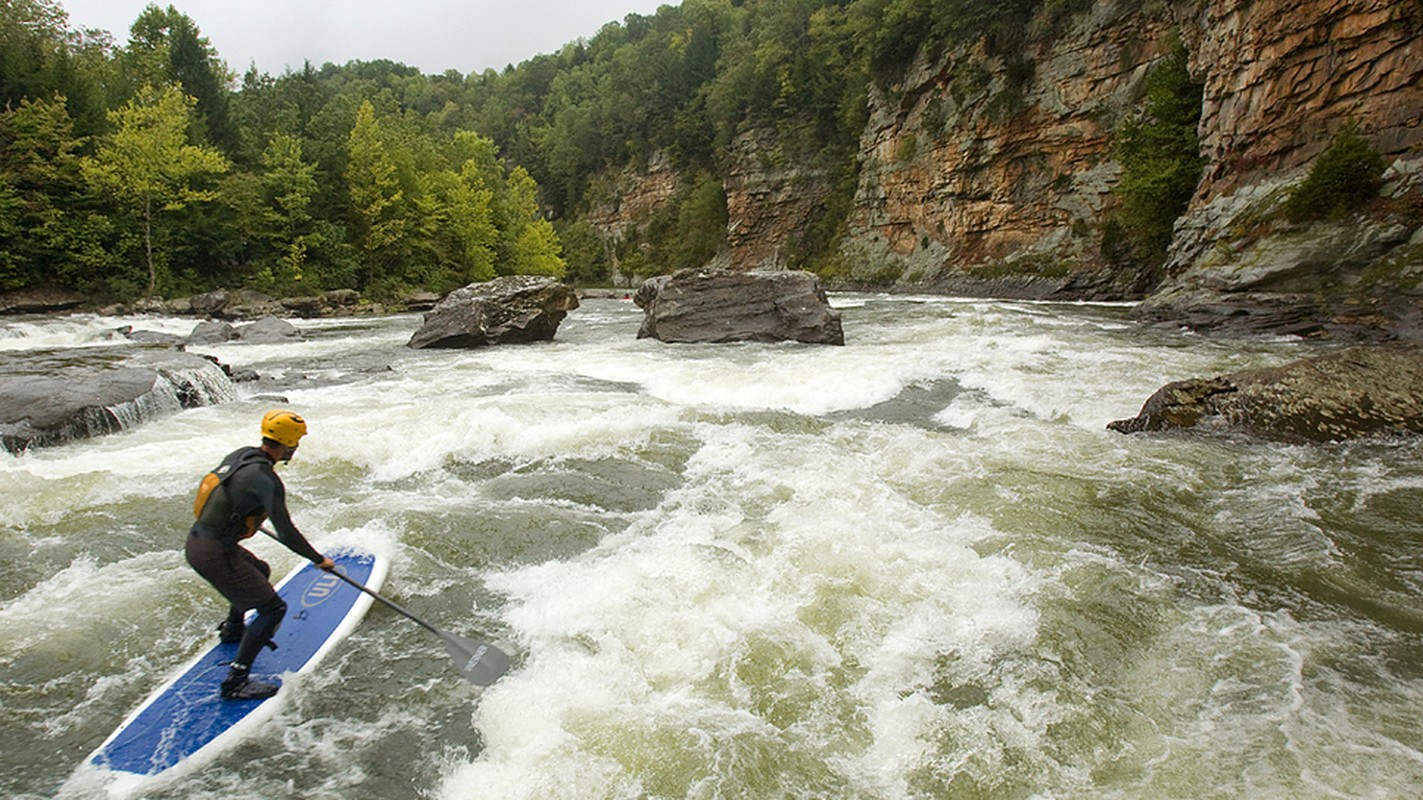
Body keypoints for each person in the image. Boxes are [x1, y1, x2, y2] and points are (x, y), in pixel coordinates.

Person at [186, 409, 335, 700]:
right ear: (288, 443)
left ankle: (233, 629)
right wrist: (318, 559)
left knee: (261, 571)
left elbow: (222, 494)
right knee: (273, 609)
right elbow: (287, 531)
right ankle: (236, 681)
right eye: (297, 442)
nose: (297, 448)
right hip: (214, 552)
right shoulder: (267, 479)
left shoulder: (242, 456)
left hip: (199, 541)